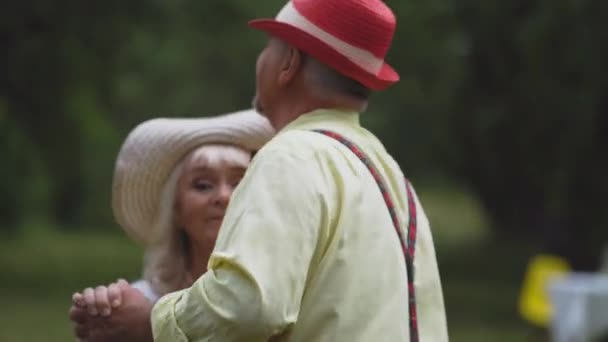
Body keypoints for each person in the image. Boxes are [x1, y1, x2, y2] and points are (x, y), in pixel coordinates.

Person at [70, 0, 449, 341]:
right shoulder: (390, 176)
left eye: (269, 45)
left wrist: (152, 322)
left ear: (289, 63)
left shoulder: (291, 155)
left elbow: (249, 307)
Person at [68, 109, 273, 339]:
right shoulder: (140, 303)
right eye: (203, 185)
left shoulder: (286, 299)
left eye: (239, 183)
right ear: (175, 208)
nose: (224, 196)